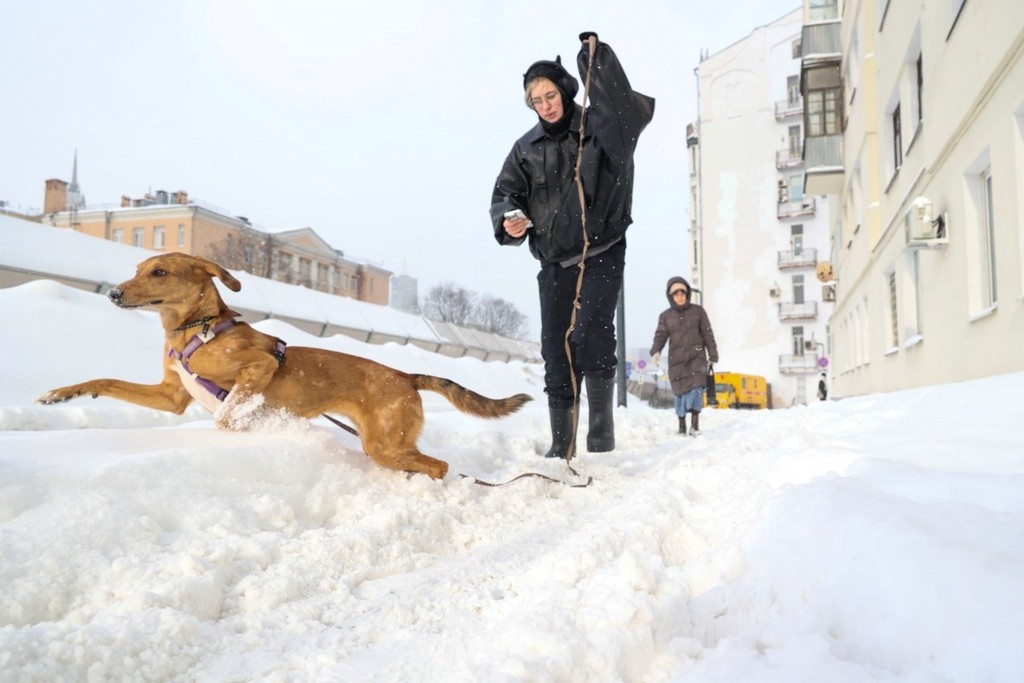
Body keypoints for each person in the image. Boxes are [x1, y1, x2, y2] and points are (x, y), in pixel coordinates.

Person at [490, 33, 654, 459]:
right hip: (554, 259)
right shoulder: (525, 149)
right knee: (555, 348)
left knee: (590, 333)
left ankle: (601, 430)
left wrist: (595, 62)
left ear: (565, 90)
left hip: (602, 250)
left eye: (550, 95)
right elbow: (505, 195)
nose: (545, 105)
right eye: (536, 100)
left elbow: (624, 111)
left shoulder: (600, 128)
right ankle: (561, 442)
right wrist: (509, 219)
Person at [649, 277, 719, 436]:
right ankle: (681, 426)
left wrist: (712, 354)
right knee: (680, 393)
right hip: (677, 361)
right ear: (670, 296)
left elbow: (708, 334)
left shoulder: (698, 311)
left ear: (687, 294)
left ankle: (694, 426)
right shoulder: (665, 316)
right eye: (676, 294)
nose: (680, 296)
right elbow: (660, 336)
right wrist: (656, 350)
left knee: (696, 390)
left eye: (683, 293)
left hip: (697, 359)